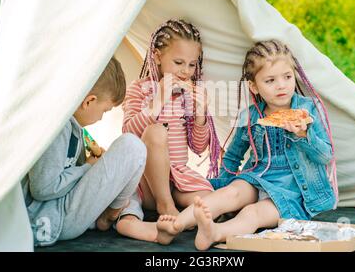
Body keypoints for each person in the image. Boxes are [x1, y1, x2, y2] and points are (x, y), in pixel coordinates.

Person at [155, 39, 338, 250]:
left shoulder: (309, 110)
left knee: (253, 214)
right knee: (230, 193)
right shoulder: (250, 117)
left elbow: (326, 156)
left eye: (287, 77)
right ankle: (175, 225)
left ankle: (215, 232)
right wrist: (224, 183)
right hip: (258, 177)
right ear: (254, 86)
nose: (281, 85)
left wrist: (303, 135)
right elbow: (233, 157)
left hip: (295, 191)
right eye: (270, 80)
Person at [22, 58, 147, 246]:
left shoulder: (74, 128)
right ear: (89, 101)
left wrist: (89, 164)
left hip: (63, 208)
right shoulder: (58, 127)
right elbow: (43, 188)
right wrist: (87, 167)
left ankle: (130, 218)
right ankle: (114, 215)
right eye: (105, 110)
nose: (102, 117)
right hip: (56, 216)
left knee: (126, 177)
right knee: (132, 148)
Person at [116, 19, 221, 242]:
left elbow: (199, 147)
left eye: (192, 65)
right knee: (156, 132)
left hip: (178, 181)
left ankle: (173, 221)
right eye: (178, 62)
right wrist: (158, 100)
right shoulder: (140, 89)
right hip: (146, 183)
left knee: (211, 201)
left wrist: (200, 113)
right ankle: (165, 207)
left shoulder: (188, 96)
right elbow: (128, 133)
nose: (185, 71)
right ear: (157, 56)